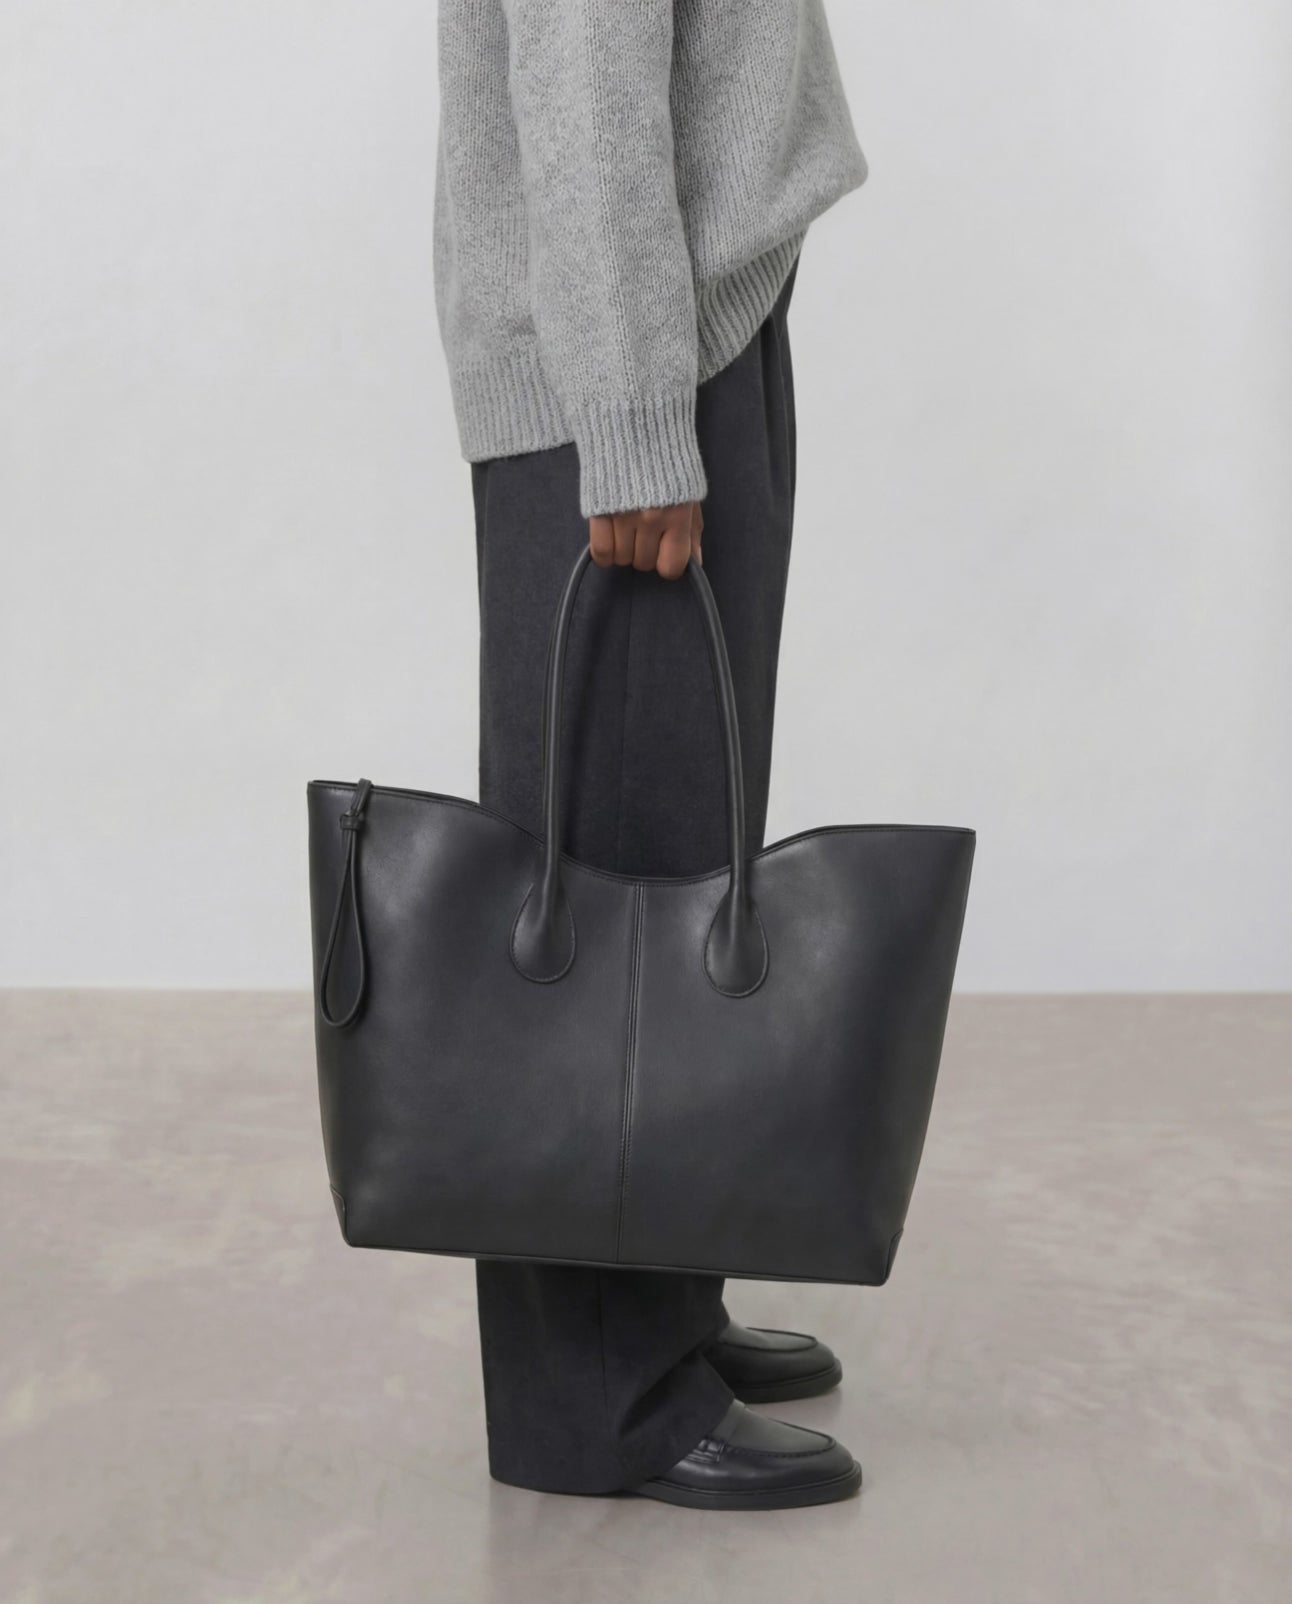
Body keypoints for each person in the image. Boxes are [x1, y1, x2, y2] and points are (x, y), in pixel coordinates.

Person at [432, 0, 869, 1510]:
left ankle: (659, 1298)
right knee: (610, 870)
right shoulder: (623, 395)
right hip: (619, 363)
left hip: (687, 326)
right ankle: (597, 1396)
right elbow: (582, 75)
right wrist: (630, 421)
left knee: (677, 860)